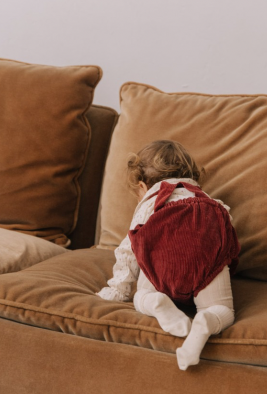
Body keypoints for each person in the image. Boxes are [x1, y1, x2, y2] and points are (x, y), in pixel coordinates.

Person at [97, 140, 240, 370]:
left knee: (140, 296)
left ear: (142, 186)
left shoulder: (150, 204)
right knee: (223, 311)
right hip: (205, 266)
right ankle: (205, 321)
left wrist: (119, 290)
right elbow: (228, 237)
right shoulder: (210, 201)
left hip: (162, 268)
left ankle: (155, 302)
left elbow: (129, 248)